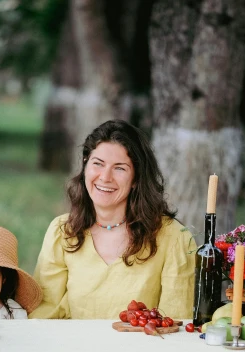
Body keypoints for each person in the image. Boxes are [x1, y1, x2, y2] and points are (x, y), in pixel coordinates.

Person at [30, 119, 195, 320]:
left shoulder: (173, 238)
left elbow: (174, 323)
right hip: (75, 349)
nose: (105, 177)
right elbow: (45, 311)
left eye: (120, 168)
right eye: (98, 164)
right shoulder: (63, 231)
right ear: (85, 166)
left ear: (136, 179)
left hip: (144, 351)